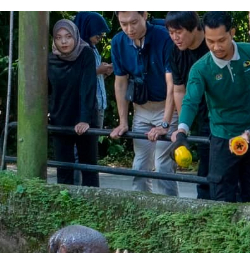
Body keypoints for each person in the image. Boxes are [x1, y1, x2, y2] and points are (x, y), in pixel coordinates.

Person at [172, 12, 250, 203]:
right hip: (222, 136)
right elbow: (191, 101)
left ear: (232, 33)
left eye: (221, 40)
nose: (216, 47)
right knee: (221, 197)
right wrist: (181, 131)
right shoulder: (201, 68)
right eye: (210, 41)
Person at [112, 11, 178, 196]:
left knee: (164, 165)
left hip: (167, 106)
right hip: (141, 108)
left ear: (145, 15)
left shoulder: (164, 37)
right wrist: (123, 121)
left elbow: (171, 83)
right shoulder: (118, 41)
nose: (129, 29)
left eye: (134, 22)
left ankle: (173, 212)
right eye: (123, 24)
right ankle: (141, 211)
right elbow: (120, 82)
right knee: (139, 166)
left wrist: (165, 123)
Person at [156, 11, 211, 196]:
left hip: (223, 114)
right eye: (171, 33)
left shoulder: (213, 45)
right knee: (204, 172)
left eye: (178, 32)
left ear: (195, 27)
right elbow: (179, 90)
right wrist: (183, 128)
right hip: (200, 115)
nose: (175, 38)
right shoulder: (175, 51)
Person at [48, 19, 103, 187]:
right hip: (60, 119)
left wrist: (85, 118)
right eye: (58, 37)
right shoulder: (50, 59)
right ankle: (64, 208)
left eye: (68, 36)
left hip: (84, 119)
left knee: (89, 167)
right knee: (63, 169)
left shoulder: (85, 53)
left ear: (76, 36)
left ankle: (93, 208)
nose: (63, 41)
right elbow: (46, 90)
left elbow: (88, 86)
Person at [75, 12, 114, 127]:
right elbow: (76, 76)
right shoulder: (78, 49)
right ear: (88, 30)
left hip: (99, 103)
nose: (100, 38)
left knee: (94, 141)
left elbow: (93, 76)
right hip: (86, 105)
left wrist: (105, 72)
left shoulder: (93, 48)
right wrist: (98, 70)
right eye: (98, 35)